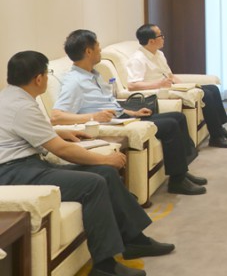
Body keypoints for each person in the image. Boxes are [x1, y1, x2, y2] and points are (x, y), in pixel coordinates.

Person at [0, 51, 175, 276]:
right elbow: (62, 151)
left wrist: (60, 132)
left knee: (106, 174)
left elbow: (27, 133)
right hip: (16, 172)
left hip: (27, 165)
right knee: (94, 183)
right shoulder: (22, 106)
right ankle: (104, 266)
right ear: (38, 78)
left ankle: (134, 240)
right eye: (47, 73)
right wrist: (106, 159)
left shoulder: (12, 97)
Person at [51, 29, 207, 195]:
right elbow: (56, 116)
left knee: (178, 117)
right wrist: (93, 117)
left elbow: (107, 102)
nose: (100, 50)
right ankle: (177, 181)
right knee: (170, 125)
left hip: (122, 117)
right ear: (88, 51)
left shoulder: (94, 74)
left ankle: (182, 172)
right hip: (109, 123)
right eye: (97, 46)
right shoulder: (74, 81)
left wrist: (131, 112)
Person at [126, 24, 227, 148]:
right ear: (151, 41)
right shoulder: (138, 59)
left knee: (213, 89)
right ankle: (216, 137)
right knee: (206, 95)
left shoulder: (159, 54)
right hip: (158, 92)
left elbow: (170, 75)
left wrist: (186, 86)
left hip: (170, 87)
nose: (163, 37)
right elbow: (132, 85)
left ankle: (220, 129)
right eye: (160, 35)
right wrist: (159, 83)